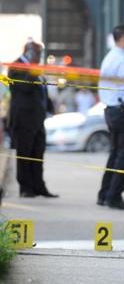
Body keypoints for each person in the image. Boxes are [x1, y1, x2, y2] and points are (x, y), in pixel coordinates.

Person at [96, 24, 124, 210]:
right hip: (122, 111)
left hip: (110, 110)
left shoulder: (109, 57)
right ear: (123, 38)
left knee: (115, 154)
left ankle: (105, 194)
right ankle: (114, 197)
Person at [8, 40, 58, 198]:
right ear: (29, 53)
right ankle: (25, 187)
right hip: (24, 119)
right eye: (38, 53)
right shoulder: (17, 67)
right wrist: (33, 71)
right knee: (25, 153)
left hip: (37, 119)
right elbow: (25, 86)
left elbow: (41, 89)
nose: (39, 57)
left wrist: (49, 106)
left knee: (38, 153)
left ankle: (38, 186)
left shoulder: (35, 69)